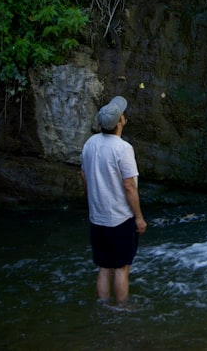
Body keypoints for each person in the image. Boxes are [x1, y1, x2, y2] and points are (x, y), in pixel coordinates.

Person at [80, 95, 147, 305]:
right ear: (120, 122)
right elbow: (129, 186)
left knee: (104, 267)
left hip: (97, 217)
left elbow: (84, 177)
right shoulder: (123, 149)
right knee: (121, 268)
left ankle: (102, 308)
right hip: (120, 218)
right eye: (122, 114)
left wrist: (92, 201)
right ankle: (121, 311)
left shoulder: (89, 144)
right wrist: (139, 217)